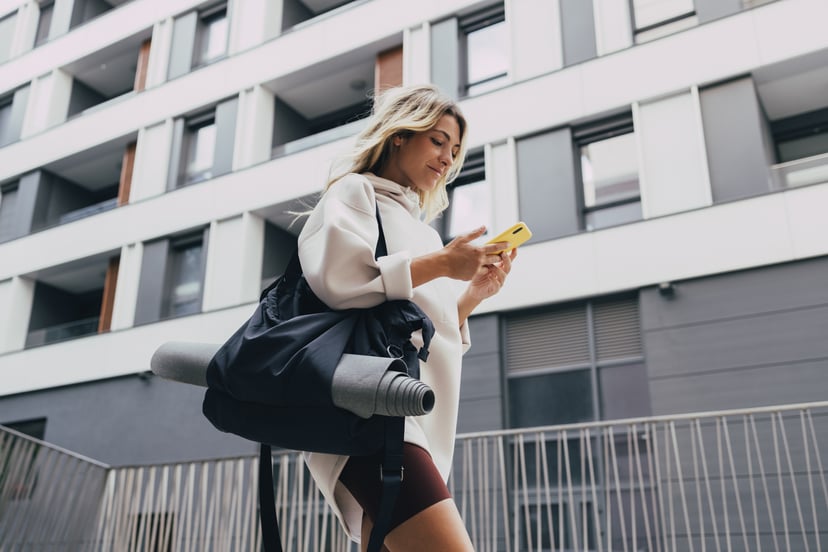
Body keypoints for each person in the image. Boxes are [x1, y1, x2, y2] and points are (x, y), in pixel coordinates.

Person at [297, 84, 517, 551]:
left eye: (454, 149)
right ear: (400, 135)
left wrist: (472, 295)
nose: (446, 158)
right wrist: (442, 265)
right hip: (369, 411)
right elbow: (340, 281)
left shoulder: (423, 232)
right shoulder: (355, 192)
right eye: (437, 140)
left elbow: (422, 333)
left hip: (401, 412)